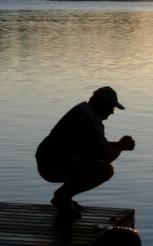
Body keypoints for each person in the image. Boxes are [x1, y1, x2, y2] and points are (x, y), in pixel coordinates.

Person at [36, 86, 136, 217]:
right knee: (106, 170)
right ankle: (62, 197)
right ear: (101, 103)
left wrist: (118, 144)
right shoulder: (92, 120)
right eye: (111, 106)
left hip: (47, 163)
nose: (112, 112)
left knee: (89, 163)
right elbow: (107, 157)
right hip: (52, 166)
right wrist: (121, 146)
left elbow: (97, 145)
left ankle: (65, 198)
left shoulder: (82, 111)